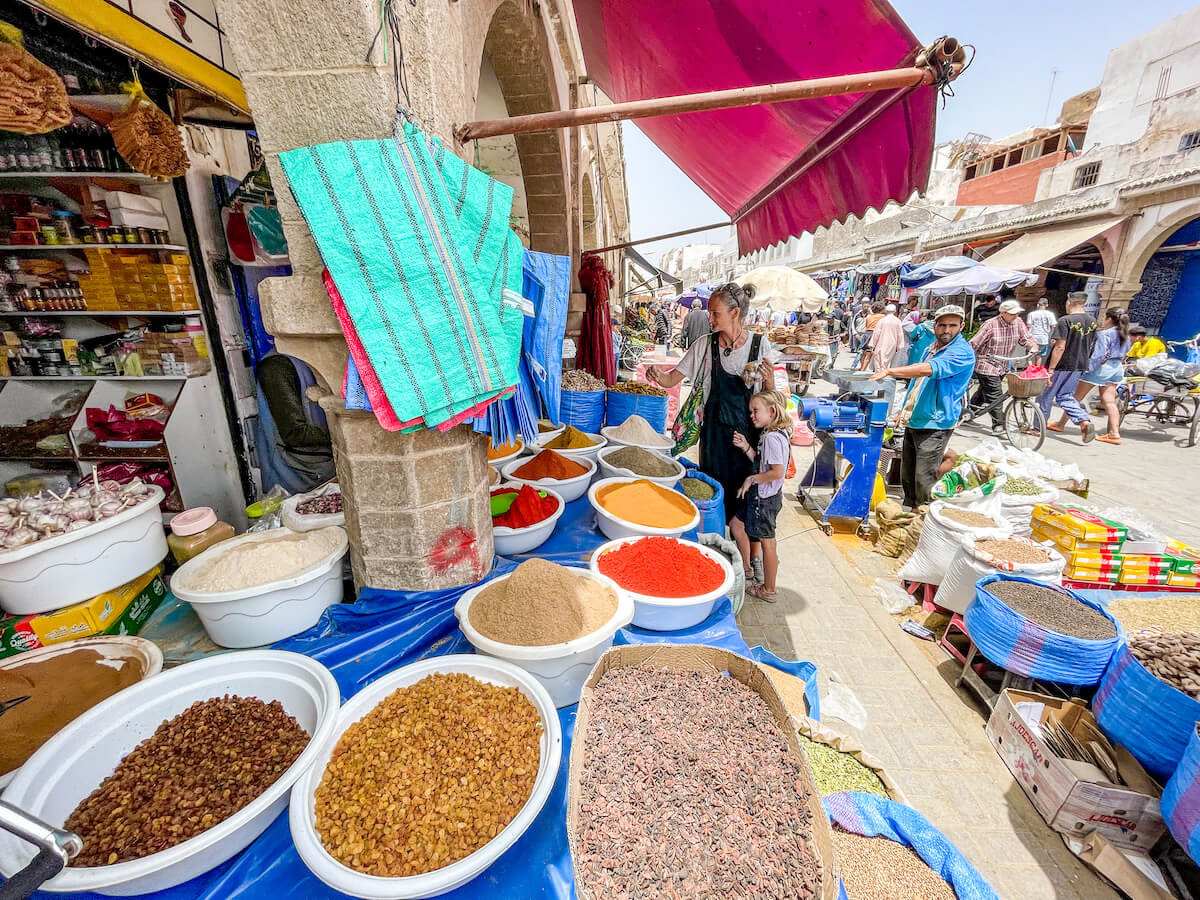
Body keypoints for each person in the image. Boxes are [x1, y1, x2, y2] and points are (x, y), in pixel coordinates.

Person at [646, 281, 778, 540]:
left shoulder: (759, 346)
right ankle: (716, 542)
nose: (710, 318)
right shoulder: (705, 345)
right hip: (714, 436)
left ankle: (748, 556)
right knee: (714, 492)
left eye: (715, 313)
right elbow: (672, 379)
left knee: (746, 499)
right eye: (709, 312)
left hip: (748, 439)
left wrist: (770, 380)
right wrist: (657, 376)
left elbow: (771, 399)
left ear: (735, 313)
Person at [869, 306, 975, 509]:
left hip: (936, 422)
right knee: (907, 476)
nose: (946, 329)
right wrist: (904, 410)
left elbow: (928, 370)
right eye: (942, 325)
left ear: (961, 326)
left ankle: (923, 518)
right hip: (915, 417)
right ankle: (909, 513)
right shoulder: (931, 348)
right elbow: (917, 382)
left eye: (952, 325)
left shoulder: (961, 352)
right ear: (934, 326)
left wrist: (890, 370)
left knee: (923, 478)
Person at [731, 390, 791, 603]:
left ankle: (769, 590)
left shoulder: (773, 438)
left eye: (756, 411)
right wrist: (746, 446)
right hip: (763, 497)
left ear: (772, 411)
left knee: (768, 543)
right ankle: (747, 570)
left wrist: (752, 479)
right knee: (737, 525)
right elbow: (762, 461)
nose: (752, 416)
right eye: (751, 412)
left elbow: (776, 471)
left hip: (764, 500)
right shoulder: (776, 433)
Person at [255, 353, 336, 493]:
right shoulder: (276, 367)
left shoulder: (310, 361)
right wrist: (347, 434)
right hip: (294, 478)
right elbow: (295, 434)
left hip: (321, 471)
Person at [1050, 307, 1132, 445]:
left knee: (1073, 397)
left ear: (1109, 319)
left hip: (1100, 369)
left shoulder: (1104, 334)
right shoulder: (1126, 335)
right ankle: (1114, 434)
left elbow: (1098, 355)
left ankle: (1061, 424)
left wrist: (1086, 370)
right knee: (1110, 402)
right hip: (1116, 368)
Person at [968, 297, 1040, 433]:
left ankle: (968, 413)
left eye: (1017, 313)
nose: (1016, 316)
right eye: (1012, 313)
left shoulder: (1018, 322)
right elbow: (974, 344)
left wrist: (1033, 346)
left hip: (1002, 364)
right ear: (1003, 313)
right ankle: (998, 424)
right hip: (986, 364)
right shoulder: (990, 325)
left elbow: (1026, 338)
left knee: (984, 393)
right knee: (995, 395)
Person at [1038, 295, 1099, 442]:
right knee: (1065, 396)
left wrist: (1051, 369)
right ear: (1084, 303)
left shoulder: (1065, 320)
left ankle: (1037, 428)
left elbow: (1060, 347)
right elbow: (1092, 345)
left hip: (1062, 364)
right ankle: (1084, 420)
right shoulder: (1093, 322)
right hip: (1079, 365)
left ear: (1069, 302)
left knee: (1045, 396)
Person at [859, 303, 904, 372]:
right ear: (895, 311)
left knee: (879, 362)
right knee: (887, 362)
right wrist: (899, 346)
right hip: (892, 344)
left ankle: (879, 376)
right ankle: (883, 375)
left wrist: (872, 345)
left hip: (881, 343)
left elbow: (876, 333)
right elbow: (900, 334)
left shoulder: (882, 320)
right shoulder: (898, 321)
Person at [1028, 297, 1057, 363]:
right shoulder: (1050, 314)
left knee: (1029, 356)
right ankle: (1037, 371)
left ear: (1038, 305)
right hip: (1044, 338)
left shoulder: (1031, 314)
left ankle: (1029, 371)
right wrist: (1052, 336)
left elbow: (1028, 326)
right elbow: (1053, 326)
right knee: (1039, 355)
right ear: (1047, 305)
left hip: (1032, 337)